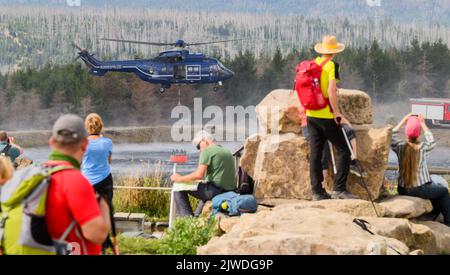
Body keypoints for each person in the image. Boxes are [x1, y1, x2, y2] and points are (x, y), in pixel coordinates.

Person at [45, 114, 111, 254]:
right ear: (84, 145)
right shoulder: (75, 182)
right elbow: (97, 234)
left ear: (51, 142)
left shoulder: (32, 175)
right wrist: (103, 206)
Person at [306, 35, 357, 200]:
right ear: (334, 52)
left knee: (315, 153)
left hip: (310, 114)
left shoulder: (314, 63)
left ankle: (317, 192)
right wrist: (336, 112)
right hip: (326, 115)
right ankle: (339, 189)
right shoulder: (331, 66)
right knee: (344, 150)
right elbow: (331, 91)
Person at [392, 113, 450, 227]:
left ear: (406, 132)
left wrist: (403, 120)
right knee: (443, 191)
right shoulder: (422, 147)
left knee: (434, 186)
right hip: (418, 189)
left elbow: (390, 136)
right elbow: (432, 141)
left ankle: (433, 214)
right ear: (418, 134)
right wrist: (423, 124)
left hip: (402, 189)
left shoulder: (399, 146)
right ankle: (448, 222)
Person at [170, 130, 237, 217]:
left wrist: (180, 178)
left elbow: (199, 175)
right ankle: (196, 216)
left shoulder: (207, 151)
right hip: (229, 191)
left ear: (204, 140)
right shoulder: (226, 151)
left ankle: (186, 219)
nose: (199, 149)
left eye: (198, 146)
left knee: (178, 187)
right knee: (203, 192)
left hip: (215, 191)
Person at [81, 113, 114, 252]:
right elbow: (109, 160)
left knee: (88, 212)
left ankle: (88, 240)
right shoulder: (107, 142)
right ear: (101, 125)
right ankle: (105, 243)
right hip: (105, 179)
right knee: (105, 212)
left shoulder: (83, 143)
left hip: (87, 181)